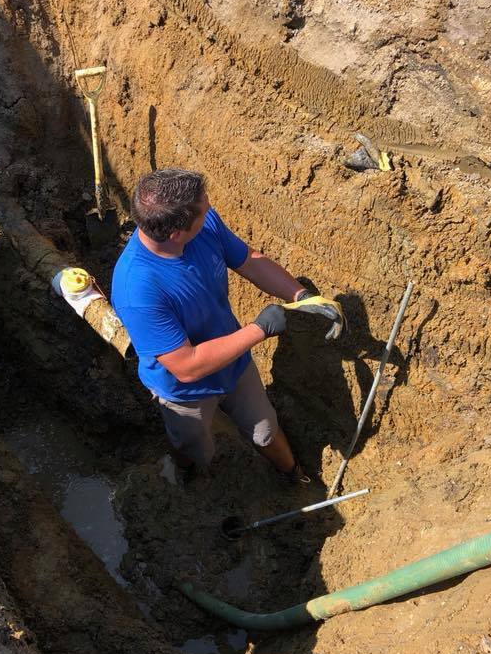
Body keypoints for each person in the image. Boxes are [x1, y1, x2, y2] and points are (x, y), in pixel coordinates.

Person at [111, 169, 342, 480]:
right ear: (177, 232)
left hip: (234, 363)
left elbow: (246, 259)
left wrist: (301, 296)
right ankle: (184, 471)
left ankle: (293, 473)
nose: (210, 206)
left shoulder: (203, 224)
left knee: (265, 430)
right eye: (203, 207)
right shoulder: (137, 288)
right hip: (185, 393)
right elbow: (186, 366)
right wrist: (259, 329)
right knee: (194, 446)